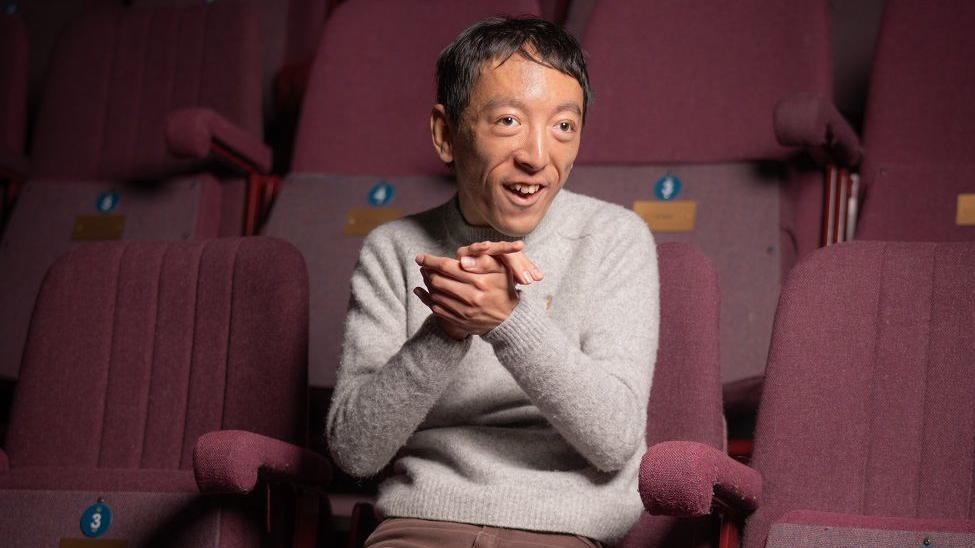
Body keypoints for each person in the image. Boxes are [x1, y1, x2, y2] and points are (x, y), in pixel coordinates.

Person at [327, 16, 659, 548]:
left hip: (563, 528)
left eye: (564, 126)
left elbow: (615, 441)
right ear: (445, 134)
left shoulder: (615, 238)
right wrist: (448, 328)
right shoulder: (390, 249)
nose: (536, 156)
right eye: (508, 120)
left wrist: (509, 320)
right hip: (421, 522)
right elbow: (355, 452)